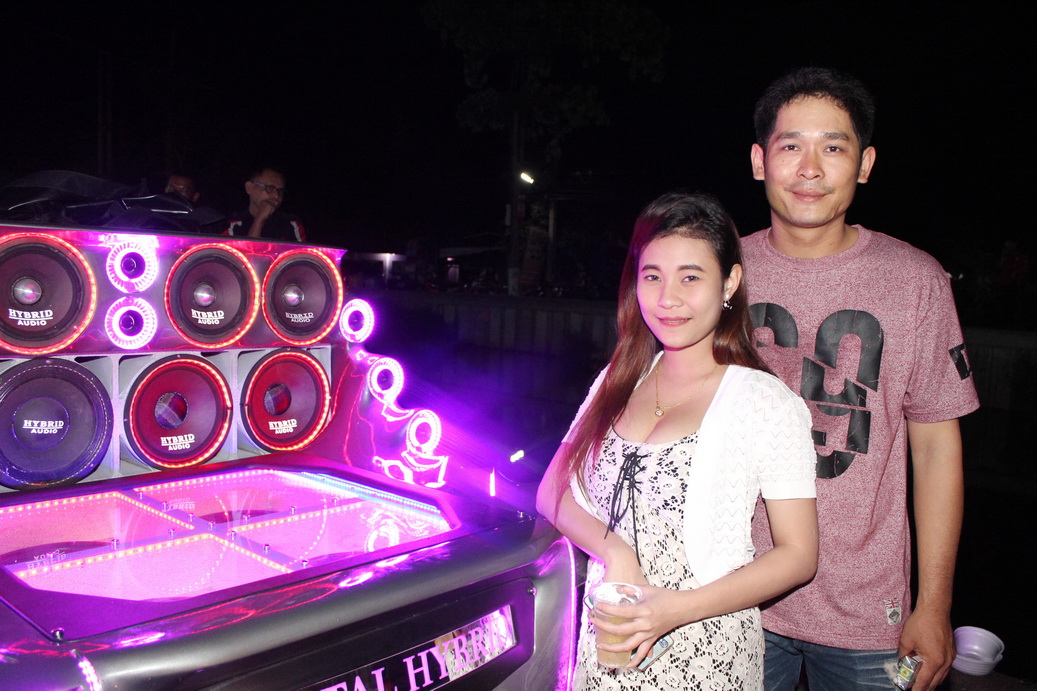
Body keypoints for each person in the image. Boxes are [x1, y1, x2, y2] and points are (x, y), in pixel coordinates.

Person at [744, 67, 980, 690]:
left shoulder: (916, 280)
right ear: (760, 161)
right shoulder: (718, 272)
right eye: (791, 146)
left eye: (834, 147)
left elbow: (936, 449)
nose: (810, 168)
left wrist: (934, 605)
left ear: (865, 164)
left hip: (869, 616)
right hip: (732, 597)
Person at [537, 192, 818, 689]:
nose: (667, 298)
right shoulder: (618, 379)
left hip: (705, 648)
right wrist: (618, 553)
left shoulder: (764, 401)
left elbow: (798, 554)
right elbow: (550, 492)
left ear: (729, 282)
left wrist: (674, 609)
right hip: (609, 642)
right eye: (652, 277)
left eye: (690, 277)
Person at [226, 166, 306, 242]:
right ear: (249, 187)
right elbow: (248, 250)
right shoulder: (232, 224)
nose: (276, 196)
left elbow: (301, 251)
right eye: (270, 188)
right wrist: (259, 219)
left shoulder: (291, 224)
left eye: (280, 191)